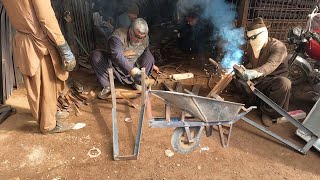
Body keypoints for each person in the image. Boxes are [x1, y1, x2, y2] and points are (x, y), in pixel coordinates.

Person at [2, 0, 77, 133]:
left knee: (36, 84)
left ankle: (48, 114)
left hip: (23, 39)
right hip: (38, 42)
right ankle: (48, 124)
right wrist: (62, 45)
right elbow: (46, 17)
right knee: (47, 83)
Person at [90, 18, 160, 99]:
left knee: (149, 56)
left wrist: (152, 64)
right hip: (115, 67)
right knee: (95, 56)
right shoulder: (117, 36)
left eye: (142, 37)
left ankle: (138, 82)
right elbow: (118, 57)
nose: (139, 40)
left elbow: (145, 52)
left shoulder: (144, 39)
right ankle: (107, 86)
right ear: (130, 30)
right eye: (137, 36)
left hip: (134, 65)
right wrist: (135, 72)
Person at [240, 17, 291, 127]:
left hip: (272, 81)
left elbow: (271, 64)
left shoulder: (278, 47)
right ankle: (254, 101)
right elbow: (245, 59)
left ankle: (269, 113)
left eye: (253, 38)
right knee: (237, 76)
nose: (250, 41)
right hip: (259, 81)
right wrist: (234, 62)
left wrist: (253, 73)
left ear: (262, 35)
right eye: (249, 38)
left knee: (284, 83)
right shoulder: (251, 47)